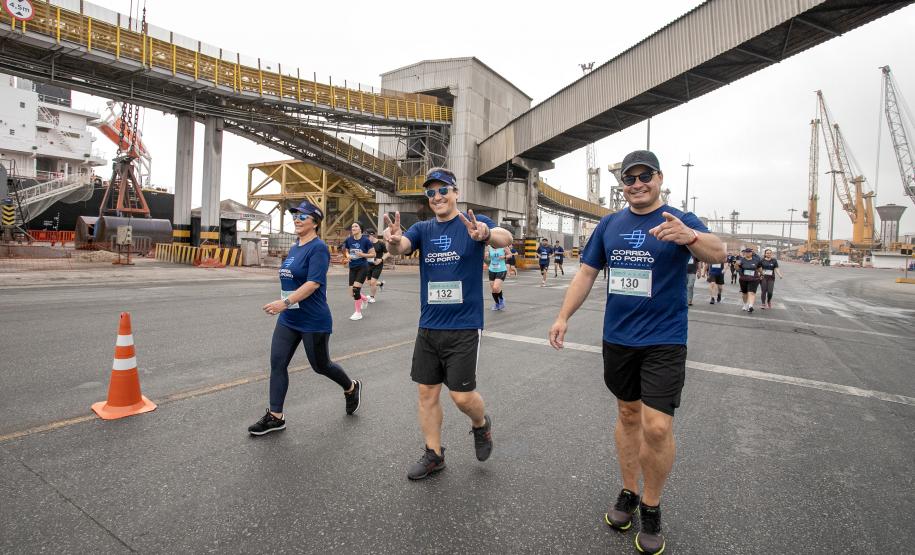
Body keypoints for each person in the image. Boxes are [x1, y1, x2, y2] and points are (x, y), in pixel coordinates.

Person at [548, 150, 725, 555]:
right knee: (628, 414)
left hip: (664, 339)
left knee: (658, 426)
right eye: (630, 178)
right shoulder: (609, 224)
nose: (638, 183)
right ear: (623, 185)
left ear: (659, 178)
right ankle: (628, 491)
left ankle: (652, 505)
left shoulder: (676, 220)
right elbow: (587, 273)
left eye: (645, 176)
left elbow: (719, 253)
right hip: (619, 339)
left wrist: (692, 238)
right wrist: (563, 316)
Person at [383, 167, 513, 480]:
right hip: (429, 325)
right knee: (427, 393)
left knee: (461, 397)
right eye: (431, 192)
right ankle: (434, 454)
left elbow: (504, 238)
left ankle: (481, 425)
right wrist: (392, 240)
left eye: (443, 190)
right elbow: (400, 248)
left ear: (455, 193)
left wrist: (485, 234)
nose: (437, 197)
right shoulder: (424, 229)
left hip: (465, 325)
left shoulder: (472, 222)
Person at [249, 201, 361, 436]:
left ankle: (350, 387)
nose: (297, 219)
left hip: (313, 320)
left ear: (315, 222)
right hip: (289, 319)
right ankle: (275, 416)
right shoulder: (295, 247)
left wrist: (285, 302)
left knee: (321, 366)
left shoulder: (318, 248)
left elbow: (313, 283)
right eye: (295, 215)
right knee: (277, 363)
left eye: (303, 216)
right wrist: (286, 304)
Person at [343, 222, 375, 321]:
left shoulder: (366, 241)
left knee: (356, 290)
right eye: (352, 226)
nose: (353, 228)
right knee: (352, 293)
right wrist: (347, 256)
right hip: (352, 267)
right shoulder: (349, 239)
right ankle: (365, 299)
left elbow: (373, 254)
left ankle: (358, 313)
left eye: (356, 226)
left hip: (362, 267)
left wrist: (362, 255)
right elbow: (346, 250)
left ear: (360, 229)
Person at [736, 247, 763, 313]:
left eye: (749, 252)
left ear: (751, 253)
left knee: (751, 292)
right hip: (743, 279)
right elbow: (737, 269)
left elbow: (759, 268)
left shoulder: (756, 260)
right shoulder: (741, 260)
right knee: (744, 293)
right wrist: (736, 264)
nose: (747, 253)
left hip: (754, 279)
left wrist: (762, 274)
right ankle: (745, 304)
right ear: (744, 252)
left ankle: (751, 306)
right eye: (746, 252)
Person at [366, 230, 387, 303]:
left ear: (372, 235)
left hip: (378, 265)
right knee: (369, 283)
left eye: (368, 236)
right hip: (368, 264)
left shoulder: (381, 243)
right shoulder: (367, 244)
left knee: (373, 282)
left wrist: (381, 260)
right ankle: (381, 284)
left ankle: (372, 297)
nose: (367, 238)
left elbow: (387, 253)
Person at [485, 244, 508, 310]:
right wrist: (486, 255)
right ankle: (497, 304)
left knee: (496, 287)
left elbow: (510, 255)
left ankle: (501, 299)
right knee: (493, 289)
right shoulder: (489, 247)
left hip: (501, 269)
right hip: (492, 269)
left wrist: (504, 257)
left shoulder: (504, 246)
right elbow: (486, 257)